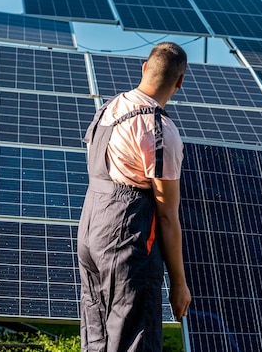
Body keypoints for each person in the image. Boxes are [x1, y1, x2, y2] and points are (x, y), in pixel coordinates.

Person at [77, 42, 192, 352]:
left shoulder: (110, 108)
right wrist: (179, 284)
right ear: (179, 82)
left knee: (97, 338)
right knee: (133, 339)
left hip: (91, 229)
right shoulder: (160, 132)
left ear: (144, 68)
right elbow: (167, 217)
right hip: (125, 235)